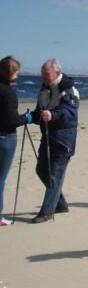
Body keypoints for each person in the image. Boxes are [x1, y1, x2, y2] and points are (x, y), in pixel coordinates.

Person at [30, 59, 79, 223]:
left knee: (55, 175)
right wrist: (28, 118)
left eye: (46, 74)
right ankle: (60, 204)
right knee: (41, 170)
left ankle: (47, 211)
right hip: (47, 136)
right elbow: (39, 112)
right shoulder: (44, 88)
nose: (43, 76)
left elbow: (70, 112)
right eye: (42, 73)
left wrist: (53, 115)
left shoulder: (69, 89)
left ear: (57, 73)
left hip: (63, 139)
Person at [0, 56, 33, 226]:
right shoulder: (8, 92)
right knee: (0, 178)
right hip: (5, 137)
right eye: (16, 73)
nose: (18, 76)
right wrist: (28, 117)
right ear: (11, 73)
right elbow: (12, 120)